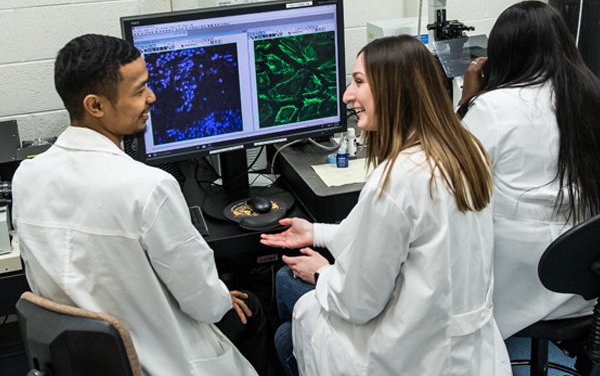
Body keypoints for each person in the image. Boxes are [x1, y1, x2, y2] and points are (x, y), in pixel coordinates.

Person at [11, 34, 268, 376]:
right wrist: (221, 296)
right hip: (161, 363)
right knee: (250, 306)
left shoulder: (26, 176)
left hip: (85, 360)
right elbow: (204, 303)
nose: (152, 97)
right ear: (96, 106)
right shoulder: (148, 187)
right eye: (139, 91)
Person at [261, 35, 512, 375]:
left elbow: (357, 304)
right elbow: (390, 236)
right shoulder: (466, 149)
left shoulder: (398, 179)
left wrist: (321, 273)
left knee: (283, 325)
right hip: (463, 346)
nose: (348, 95)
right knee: (291, 314)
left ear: (395, 89)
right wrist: (317, 232)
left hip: (408, 355)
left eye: (359, 82)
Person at [457, 0, 600, 339]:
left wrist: (467, 100)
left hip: (523, 280)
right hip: (584, 279)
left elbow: (445, 172)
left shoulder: (492, 107)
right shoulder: (591, 94)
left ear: (502, 54)